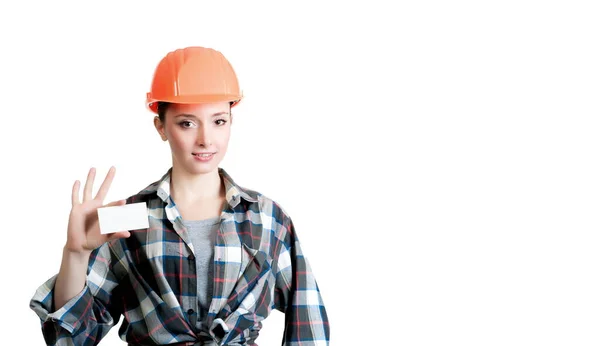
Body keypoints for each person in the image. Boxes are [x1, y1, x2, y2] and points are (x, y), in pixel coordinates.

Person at [30, 46, 330, 346]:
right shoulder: (127, 217)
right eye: (187, 123)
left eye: (219, 121)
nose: (205, 139)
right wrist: (75, 254)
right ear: (161, 126)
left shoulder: (266, 218)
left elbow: (308, 323)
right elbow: (69, 340)